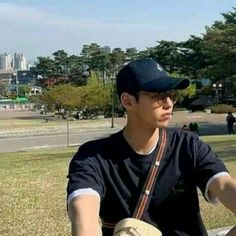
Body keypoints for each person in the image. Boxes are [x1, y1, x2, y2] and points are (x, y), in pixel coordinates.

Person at [67, 59, 236, 236]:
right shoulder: (94, 156)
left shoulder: (187, 145)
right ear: (128, 101)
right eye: (158, 95)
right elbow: (83, 207)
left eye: (172, 95)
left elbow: (224, 185)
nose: (169, 103)